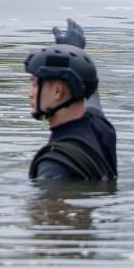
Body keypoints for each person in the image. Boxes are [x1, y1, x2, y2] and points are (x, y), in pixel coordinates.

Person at [26, 19, 117, 182]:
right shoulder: (99, 126)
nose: (30, 94)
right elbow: (89, 95)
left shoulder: (53, 166)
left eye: (35, 84)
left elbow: (55, 206)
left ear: (57, 91)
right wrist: (74, 51)